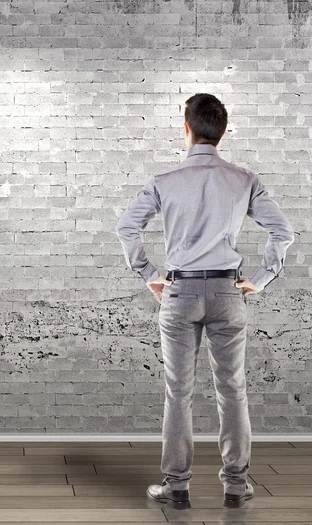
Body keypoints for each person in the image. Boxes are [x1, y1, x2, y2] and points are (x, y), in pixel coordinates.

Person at [115, 93, 296, 509]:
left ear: (186, 128)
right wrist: (260, 279)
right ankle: (236, 485)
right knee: (232, 389)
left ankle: (176, 486)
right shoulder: (244, 179)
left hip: (178, 293)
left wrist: (149, 276)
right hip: (228, 293)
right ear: (223, 132)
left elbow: (127, 227)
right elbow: (282, 232)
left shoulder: (163, 181)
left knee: (178, 392)